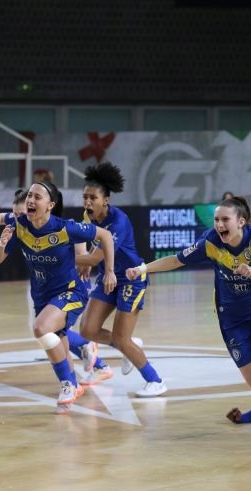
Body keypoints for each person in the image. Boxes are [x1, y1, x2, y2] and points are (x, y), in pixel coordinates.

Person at [128, 194, 251, 445]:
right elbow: (176, 260)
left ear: (241, 222)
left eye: (225, 219)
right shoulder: (210, 241)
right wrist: (142, 269)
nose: (219, 224)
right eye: (216, 220)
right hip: (233, 320)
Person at [0, 180, 117, 413]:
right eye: (29, 195)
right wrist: (0, 242)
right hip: (42, 296)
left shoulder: (66, 228)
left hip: (71, 290)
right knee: (57, 343)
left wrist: (108, 271)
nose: (30, 200)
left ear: (50, 205)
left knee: (40, 328)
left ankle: (68, 383)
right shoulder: (19, 226)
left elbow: (106, 236)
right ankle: (75, 382)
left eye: (37, 197)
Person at [78, 163, 168, 398]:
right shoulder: (88, 217)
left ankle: (155, 380)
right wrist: (85, 263)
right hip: (109, 277)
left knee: (120, 337)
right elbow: (90, 246)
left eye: (93, 197)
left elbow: (97, 254)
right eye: (85, 197)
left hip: (131, 278)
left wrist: (72, 261)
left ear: (105, 200)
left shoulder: (117, 221)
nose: (87, 202)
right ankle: (129, 344)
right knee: (88, 329)